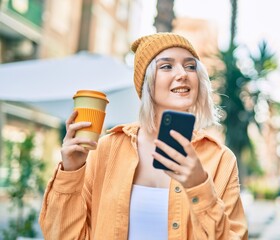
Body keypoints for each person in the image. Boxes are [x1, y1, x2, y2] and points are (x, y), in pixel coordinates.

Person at [39, 32, 248, 239]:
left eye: (190, 66)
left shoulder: (221, 159)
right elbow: (63, 236)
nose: (183, 73)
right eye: (166, 66)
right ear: (146, 83)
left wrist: (199, 185)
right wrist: (71, 171)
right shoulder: (107, 149)